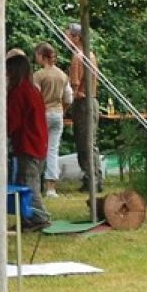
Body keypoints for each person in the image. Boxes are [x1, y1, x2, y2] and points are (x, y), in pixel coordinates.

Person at [7, 54, 52, 228]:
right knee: (24, 181)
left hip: (28, 144)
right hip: (38, 142)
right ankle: (26, 218)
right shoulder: (33, 90)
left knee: (29, 184)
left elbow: (13, 121)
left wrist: (0, 131)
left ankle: (40, 217)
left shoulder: (18, 92)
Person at [33, 42, 72, 197]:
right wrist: (63, 110)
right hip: (57, 113)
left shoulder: (38, 75)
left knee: (38, 149)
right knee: (53, 150)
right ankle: (51, 188)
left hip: (43, 114)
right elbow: (69, 98)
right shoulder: (63, 75)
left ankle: (36, 183)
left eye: (37, 55)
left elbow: (35, 98)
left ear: (42, 56)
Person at [65, 23, 102, 192]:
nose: (65, 39)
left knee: (84, 142)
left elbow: (74, 85)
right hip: (93, 101)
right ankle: (96, 178)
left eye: (67, 36)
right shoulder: (91, 55)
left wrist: (66, 105)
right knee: (91, 142)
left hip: (83, 103)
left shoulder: (77, 57)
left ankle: (90, 179)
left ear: (76, 37)